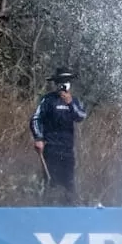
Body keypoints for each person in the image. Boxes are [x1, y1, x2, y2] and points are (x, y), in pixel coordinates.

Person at [30, 67, 87, 201]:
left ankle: (70, 211)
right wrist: (38, 138)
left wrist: (70, 103)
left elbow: (81, 116)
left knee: (69, 184)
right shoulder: (48, 100)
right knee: (50, 184)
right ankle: (47, 210)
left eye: (66, 81)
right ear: (55, 83)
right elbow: (35, 119)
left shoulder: (75, 101)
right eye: (60, 81)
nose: (63, 84)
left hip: (67, 149)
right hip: (51, 148)